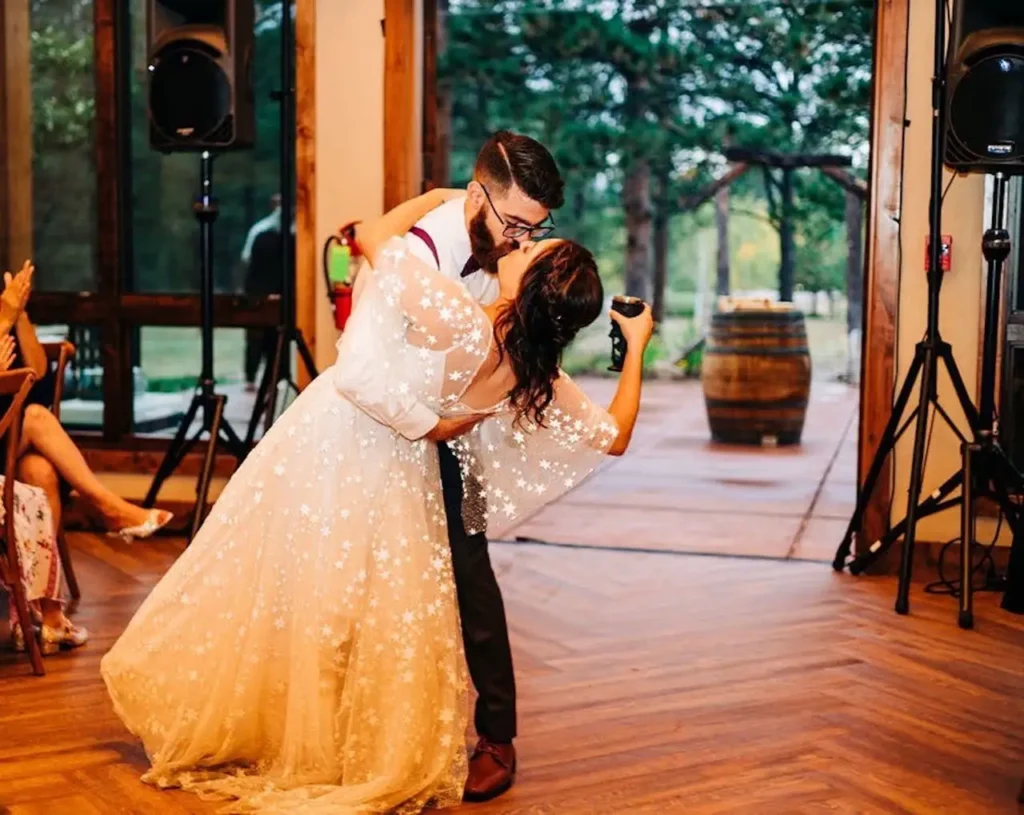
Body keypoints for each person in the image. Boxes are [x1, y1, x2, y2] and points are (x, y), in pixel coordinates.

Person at [101, 185, 653, 814]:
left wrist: (437, 196)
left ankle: (345, 730)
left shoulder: (460, 316)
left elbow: (367, 237)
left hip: (386, 454)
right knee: (397, 598)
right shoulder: (535, 370)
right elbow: (614, 438)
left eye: (534, 244)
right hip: (412, 464)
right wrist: (635, 346)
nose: (521, 240)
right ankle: (358, 730)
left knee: (328, 583)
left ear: (528, 285)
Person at [402, 130, 564, 800]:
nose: (522, 240)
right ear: (477, 196)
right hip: (402, 426)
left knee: (473, 571)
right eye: (515, 222)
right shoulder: (425, 250)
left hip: (459, 434)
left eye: (537, 225)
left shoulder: (502, 246)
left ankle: (497, 733)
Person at [0, 262, 172, 541]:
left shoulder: (6, 307)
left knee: (40, 470)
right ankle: (108, 506)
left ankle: (41, 581)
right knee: (35, 416)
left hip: (9, 438)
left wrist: (17, 314)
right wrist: (4, 319)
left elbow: (39, 370)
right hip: (10, 429)